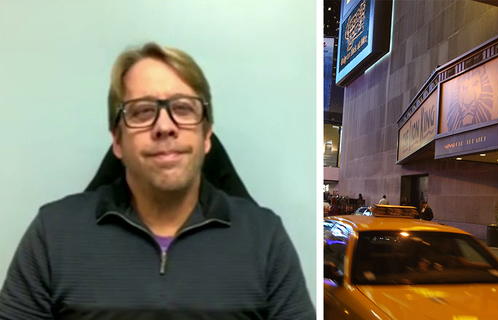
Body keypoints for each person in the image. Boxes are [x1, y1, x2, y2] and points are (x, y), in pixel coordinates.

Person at [0, 43, 314, 319]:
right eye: (142, 111)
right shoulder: (52, 235)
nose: (164, 126)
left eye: (182, 108)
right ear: (118, 140)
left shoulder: (265, 238)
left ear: (207, 136)